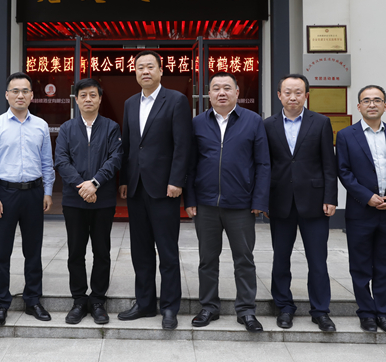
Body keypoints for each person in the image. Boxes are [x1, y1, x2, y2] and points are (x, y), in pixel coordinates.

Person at [185, 72, 271, 333]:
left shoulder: (253, 121)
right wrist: (190, 198)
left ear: (237, 92)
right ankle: (208, 307)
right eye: (216, 88)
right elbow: (190, 164)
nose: (221, 93)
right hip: (206, 204)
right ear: (208, 94)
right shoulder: (197, 123)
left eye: (227, 88)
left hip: (241, 205)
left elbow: (263, 164)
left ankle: (246, 310)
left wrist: (259, 199)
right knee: (207, 259)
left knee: (244, 259)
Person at [117, 50, 192, 330]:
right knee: (141, 251)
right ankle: (145, 303)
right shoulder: (129, 103)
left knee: (167, 251)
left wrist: (177, 180)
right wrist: (124, 180)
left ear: (161, 71)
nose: (145, 71)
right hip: (136, 188)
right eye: (140, 67)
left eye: (150, 66)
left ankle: (170, 307)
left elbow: (183, 144)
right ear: (135, 72)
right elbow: (128, 145)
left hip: (165, 189)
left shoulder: (176, 100)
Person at [0, 72, 56, 326]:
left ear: (32, 95)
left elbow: (46, 162)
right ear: (7, 95)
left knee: (33, 251)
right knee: (1, 253)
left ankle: (33, 300)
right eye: (15, 91)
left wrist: (47, 191)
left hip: (34, 193)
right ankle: (1, 304)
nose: (20, 95)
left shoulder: (41, 125)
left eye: (25, 91)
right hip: (4, 194)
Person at [336, 85, 386, 333]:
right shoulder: (346, 135)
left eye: (377, 100)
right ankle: (366, 313)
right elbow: (344, 171)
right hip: (361, 212)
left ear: (385, 106)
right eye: (367, 100)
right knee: (360, 266)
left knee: (384, 265)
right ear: (359, 106)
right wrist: (366, 196)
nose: (372, 104)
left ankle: (383, 313)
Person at [264, 74, 338, 332]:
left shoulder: (321, 122)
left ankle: (320, 311)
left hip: (315, 202)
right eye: (288, 92)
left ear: (306, 95)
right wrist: (263, 200)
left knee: (317, 260)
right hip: (280, 200)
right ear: (279, 95)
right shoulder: (268, 125)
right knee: (280, 259)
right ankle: (284, 307)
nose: (293, 97)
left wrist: (330, 198)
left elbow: (329, 164)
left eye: (298, 92)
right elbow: (265, 165)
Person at [54, 78, 123, 325]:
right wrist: (82, 186)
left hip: (103, 200)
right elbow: (61, 160)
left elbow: (115, 158)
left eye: (93, 95)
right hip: (74, 201)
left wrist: (95, 183)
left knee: (101, 251)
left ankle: (98, 300)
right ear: (76, 100)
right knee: (76, 251)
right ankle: (79, 300)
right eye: (83, 95)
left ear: (100, 99)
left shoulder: (111, 127)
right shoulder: (67, 128)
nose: (88, 99)